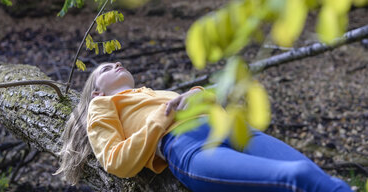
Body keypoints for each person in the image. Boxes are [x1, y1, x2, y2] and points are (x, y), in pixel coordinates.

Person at [55, 61, 352, 192]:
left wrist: (196, 95)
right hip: (189, 148)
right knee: (296, 177)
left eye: (115, 62)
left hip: (231, 130)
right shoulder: (102, 106)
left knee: (314, 173)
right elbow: (116, 161)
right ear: (96, 91)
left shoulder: (148, 93)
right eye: (106, 68)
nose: (116, 63)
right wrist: (162, 119)